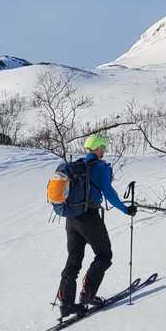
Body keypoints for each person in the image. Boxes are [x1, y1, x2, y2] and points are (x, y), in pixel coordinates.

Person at [56, 133, 137, 317]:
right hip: (88, 217)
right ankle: (87, 295)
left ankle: (66, 303)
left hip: (71, 218)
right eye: (103, 147)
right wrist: (126, 209)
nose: (104, 151)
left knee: (73, 260)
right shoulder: (99, 167)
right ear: (98, 148)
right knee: (104, 255)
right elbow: (108, 192)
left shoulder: (77, 166)